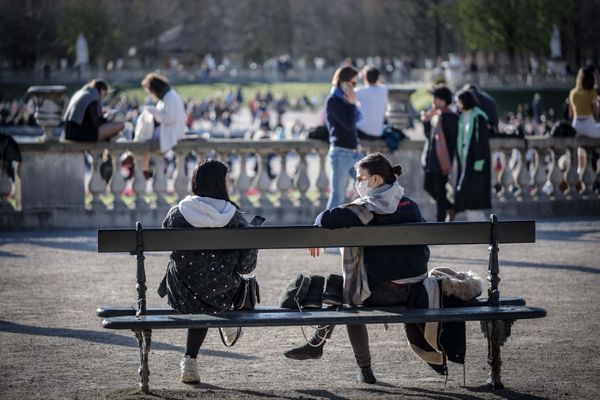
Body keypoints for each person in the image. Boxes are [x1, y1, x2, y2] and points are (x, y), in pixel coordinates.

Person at [284, 152, 430, 384]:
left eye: (361, 178)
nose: (357, 183)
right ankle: (316, 345)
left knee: (346, 295)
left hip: (387, 293)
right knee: (340, 286)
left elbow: (328, 218)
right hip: (416, 289)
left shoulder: (371, 208)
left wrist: (316, 227)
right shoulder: (409, 205)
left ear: (376, 180)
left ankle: (360, 367)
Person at [157, 159, 258, 384]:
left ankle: (190, 361)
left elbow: (166, 248)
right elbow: (246, 267)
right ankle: (227, 323)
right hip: (222, 292)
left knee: (196, 286)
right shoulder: (235, 217)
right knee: (219, 282)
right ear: (221, 183)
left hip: (182, 293)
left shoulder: (177, 214)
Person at [325, 66, 363, 210]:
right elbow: (347, 124)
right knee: (338, 196)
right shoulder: (333, 101)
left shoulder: (346, 101)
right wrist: (352, 104)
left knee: (370, 188)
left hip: (354, 152)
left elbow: (353, 126)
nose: (355, 87)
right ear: (343, 82)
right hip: (341, 153)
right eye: (353, 83)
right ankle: (326, 228)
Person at [420, 85, 458, 222]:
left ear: (443, 100)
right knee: (428, 187)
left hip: (442, 161)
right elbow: (429, 136)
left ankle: (440, 220)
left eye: (435, 98)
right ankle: (450, 208)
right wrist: (425, 122)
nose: (433, 101)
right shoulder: (436, 116)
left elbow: (452, 142)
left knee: (440, 190)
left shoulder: (451, 117)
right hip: (431, 160)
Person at [452, 89, 491, 221]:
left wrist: (479, 162)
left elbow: (483, 142)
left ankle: (480, 226)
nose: (457, 104)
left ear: (464, 101)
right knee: (466, 193)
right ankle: (477, 225)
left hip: (475, 162)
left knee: (474, 194)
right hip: (465, 160)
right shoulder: (463, 117)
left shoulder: (479, 116)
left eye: (458, 101)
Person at [355, 66, 388, 140]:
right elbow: (383, 83)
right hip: (378, 132)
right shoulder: (384, 90)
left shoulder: (359, 92)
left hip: (363, 131)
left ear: (365, 78)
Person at [569, 66, 600, 138]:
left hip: (576, 127)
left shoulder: (573, 93)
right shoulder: (592, 93)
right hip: (589, 128)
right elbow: (596, 112)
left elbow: (570, 113)